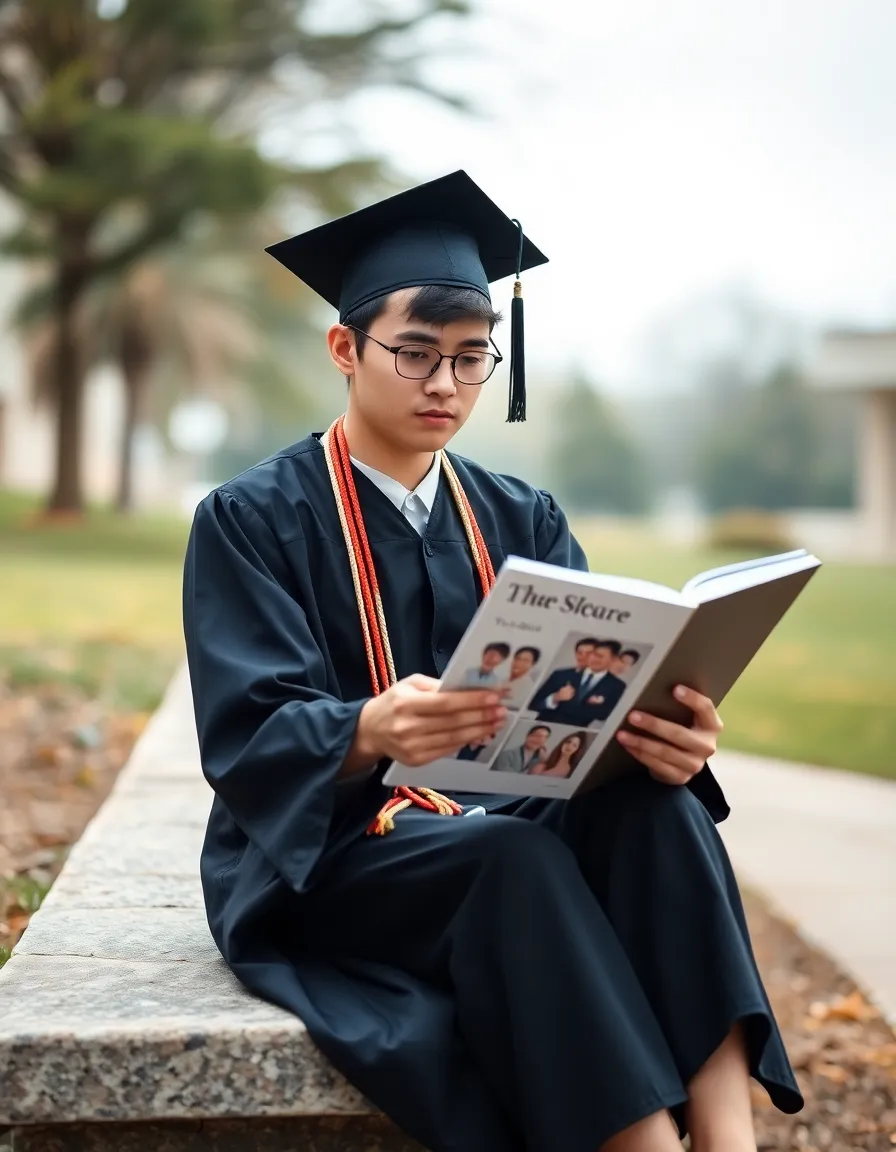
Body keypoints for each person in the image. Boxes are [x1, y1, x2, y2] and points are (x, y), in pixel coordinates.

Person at [182, 170, 802, 1152]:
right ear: (344, 348)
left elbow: (593, 702)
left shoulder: (521, 515)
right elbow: (246, 732)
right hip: (338, 849)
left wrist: (665, 736)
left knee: (658, 810)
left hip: (501, 815)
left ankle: (725, 1136)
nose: (444, 386)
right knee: (510, 858)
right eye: (415, 354)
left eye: (472, 360)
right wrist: (365, 728)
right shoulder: (251, 519)